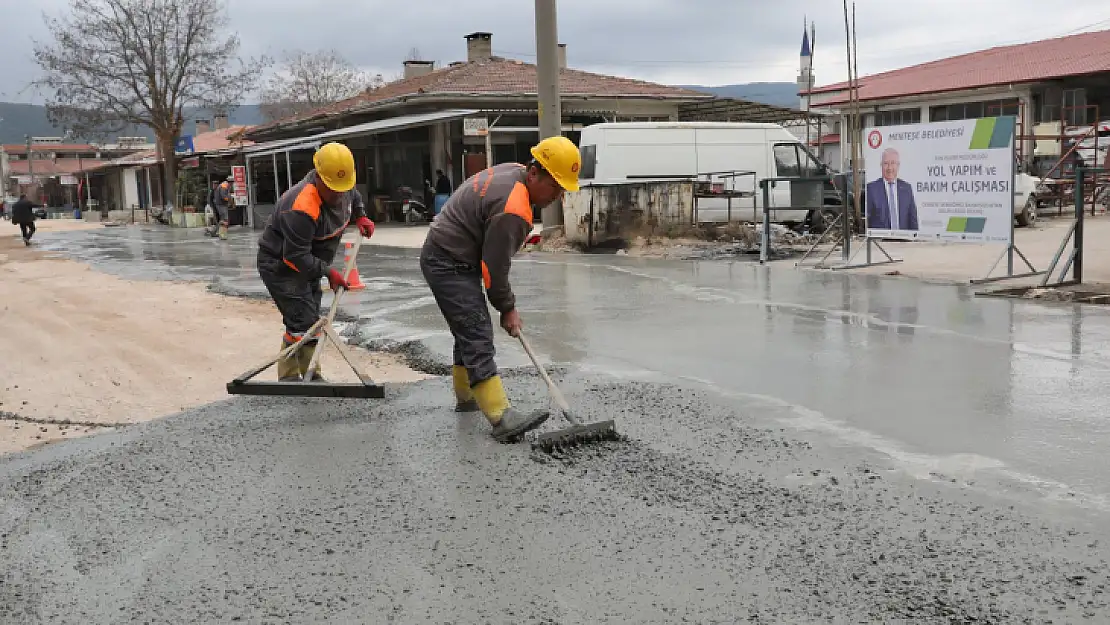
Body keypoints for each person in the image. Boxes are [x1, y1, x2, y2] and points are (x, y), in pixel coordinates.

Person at [420, 135, 581, 442]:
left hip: (447, 252)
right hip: (448, 260)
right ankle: (500, 416)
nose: (557, 196)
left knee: (466, 328)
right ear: (535, 173)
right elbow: (493, 269)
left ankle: (466, 398)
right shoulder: (514, 208)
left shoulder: (514, 171)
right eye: (555, 186)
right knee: (476, 330)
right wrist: (508, 308)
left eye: (563, 189)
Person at [256, 142, 376, 382]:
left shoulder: (342, 185)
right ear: (319, 177)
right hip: (282, 265)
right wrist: (328, 272)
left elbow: (353, 195)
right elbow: (295, 255)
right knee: (304, 320)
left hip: (310, 264)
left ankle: (306, 374)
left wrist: (360, 215)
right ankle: (294, 377)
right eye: (332, 189)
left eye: (343, 188)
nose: (338, 194)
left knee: (303, 319)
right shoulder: (301, 206)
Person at [866, 148, 918, 231]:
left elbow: (913, 220)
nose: (889, 168)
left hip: (903, 240)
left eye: (893, 163)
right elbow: (867, 221)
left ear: (898, 165)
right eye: (886, 163)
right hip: (880, 241)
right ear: (881, 165)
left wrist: (914, 240)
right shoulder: (871, 189)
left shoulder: (907, 188)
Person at [212, 175, 234, 240]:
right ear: (230, 182)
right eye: (232, 182)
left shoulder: (226, 185)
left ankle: (216, 232)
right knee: (224, 220)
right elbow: (223, 196)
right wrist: (229, 199)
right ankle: (222, 234)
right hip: (221, 205)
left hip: (221, 204)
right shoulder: (224, 186)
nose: (232, 184)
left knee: (223, 219)